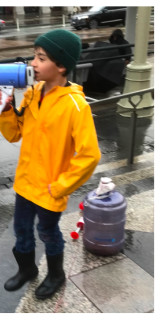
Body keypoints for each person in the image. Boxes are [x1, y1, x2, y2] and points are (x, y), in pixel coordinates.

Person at [0, 29, 101, 300]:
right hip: (25, 183)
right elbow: (14, 134)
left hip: (49, 189)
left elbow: (90, 154)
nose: (33, 63)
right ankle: (27, 269)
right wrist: (7, 110)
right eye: (34, 55)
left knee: (47, 232)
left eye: (41, 58)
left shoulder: (75, 106)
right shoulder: (32, 94)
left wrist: (60, 187)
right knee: (21, 230)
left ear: (62, 65)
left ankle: (56, 274)